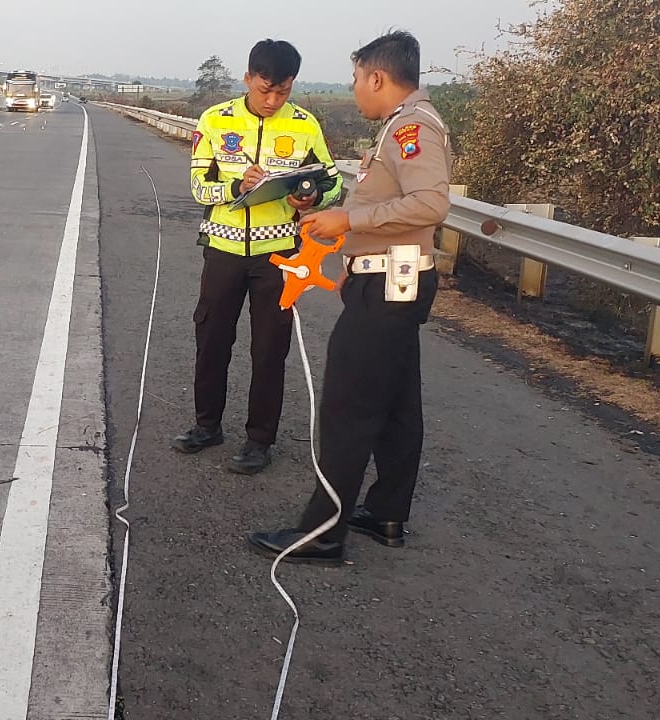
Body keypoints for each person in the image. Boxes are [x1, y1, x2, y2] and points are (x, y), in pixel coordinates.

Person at [248, 30, 453, 565]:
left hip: (389, 283)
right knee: (396, 403)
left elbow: (430, 203)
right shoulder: (402, 125)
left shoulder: (411, 127)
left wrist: (351, 220)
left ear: (378, 77)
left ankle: (322, 532)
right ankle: (386, 512)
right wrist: (345, 237)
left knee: (347, 404)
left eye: (357, 79)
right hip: (390, 277)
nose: (355, 88)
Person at [173, 39, 343, 476]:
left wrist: (312, 196)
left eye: (282, 92)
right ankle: (206, 425)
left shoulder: (305, 124)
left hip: (278, 255)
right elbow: (197, 188)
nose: (272, 100)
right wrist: (235, 188)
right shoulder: (215, 120)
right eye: (264, 89)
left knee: (270, 347)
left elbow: (334, 182)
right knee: (212, 340)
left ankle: (259, 440)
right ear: (247, 78)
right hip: (223, 251)